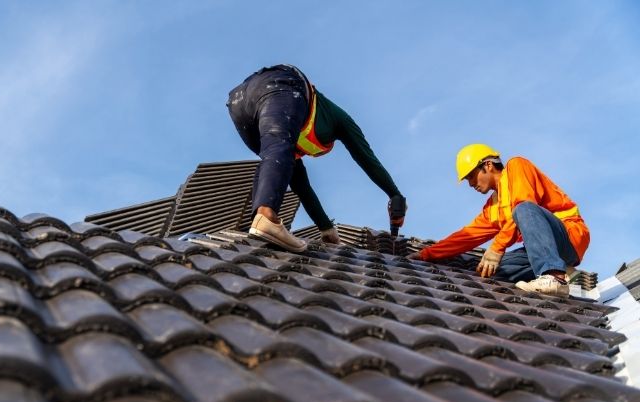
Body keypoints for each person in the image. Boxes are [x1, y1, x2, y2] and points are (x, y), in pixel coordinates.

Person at [226, 64, 407, 252]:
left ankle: (258, 225)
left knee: (274, 161)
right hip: (281, 84)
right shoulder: (338, 119)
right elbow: (366, 158)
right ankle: (266, 216)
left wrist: (325, 228)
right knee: (279, 150)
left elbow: (301, 186)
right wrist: (395, 195)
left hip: (239, 103)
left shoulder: (289, 141)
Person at [409, 144, 589, 297]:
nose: (471, 184)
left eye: (471, 176)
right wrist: (427, 254)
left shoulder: (516, 166)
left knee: (523, 208)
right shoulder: (493, 207)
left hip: (568, 235)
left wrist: (496, 247)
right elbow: (467, 236)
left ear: (487, 165)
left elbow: (524, 204)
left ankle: (555, 276)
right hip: (541, 249)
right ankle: (563, 272)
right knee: (491, 271)